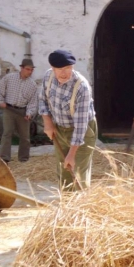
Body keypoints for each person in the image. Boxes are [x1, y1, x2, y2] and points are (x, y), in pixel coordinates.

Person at [39, 50, 97, 191]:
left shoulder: (82, 87)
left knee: (78, 173)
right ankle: (66, 205)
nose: (64, 73)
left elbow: (81, 126)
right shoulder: (48, 76)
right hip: (59, 128)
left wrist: (71, 154)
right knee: (63, 170)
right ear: (53, 68)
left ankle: (81, 207)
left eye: (68, 68)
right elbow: (42, 99)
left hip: (82, 131)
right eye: (60, 69)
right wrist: (48, 122)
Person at [0, 58, 38, 163]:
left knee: (25, 137)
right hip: (9, 110)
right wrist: (1, 101)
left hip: (22, 111)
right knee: (7, 133)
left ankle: (23, 158)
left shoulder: (32, 84)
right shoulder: (9, 78)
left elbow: (33, 102)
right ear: (21, 68)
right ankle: (4, 158)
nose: (30, 72)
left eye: (31, 70)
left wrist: (29, 113)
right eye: (28, 69)